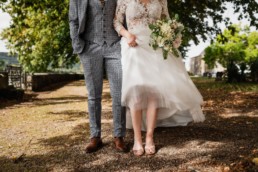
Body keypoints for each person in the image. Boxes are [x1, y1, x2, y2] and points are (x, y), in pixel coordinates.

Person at [114, 0, 205, 156]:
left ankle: (149, 137)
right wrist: (127, 34)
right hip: (133, 45)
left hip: (156, 47)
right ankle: (137, 139)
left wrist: (173, 36)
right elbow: (116, 21)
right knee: (135, 93)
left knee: (154, 94)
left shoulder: (162, 0)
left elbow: (168, 22)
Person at [69, 0, 127, 153]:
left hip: (115, 46)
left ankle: (118, 135)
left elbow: (125, 14)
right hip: (89, 47)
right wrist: (78, 46)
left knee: (119, 93)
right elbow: (73, 20)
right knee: (93, 95)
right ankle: (95, 136)